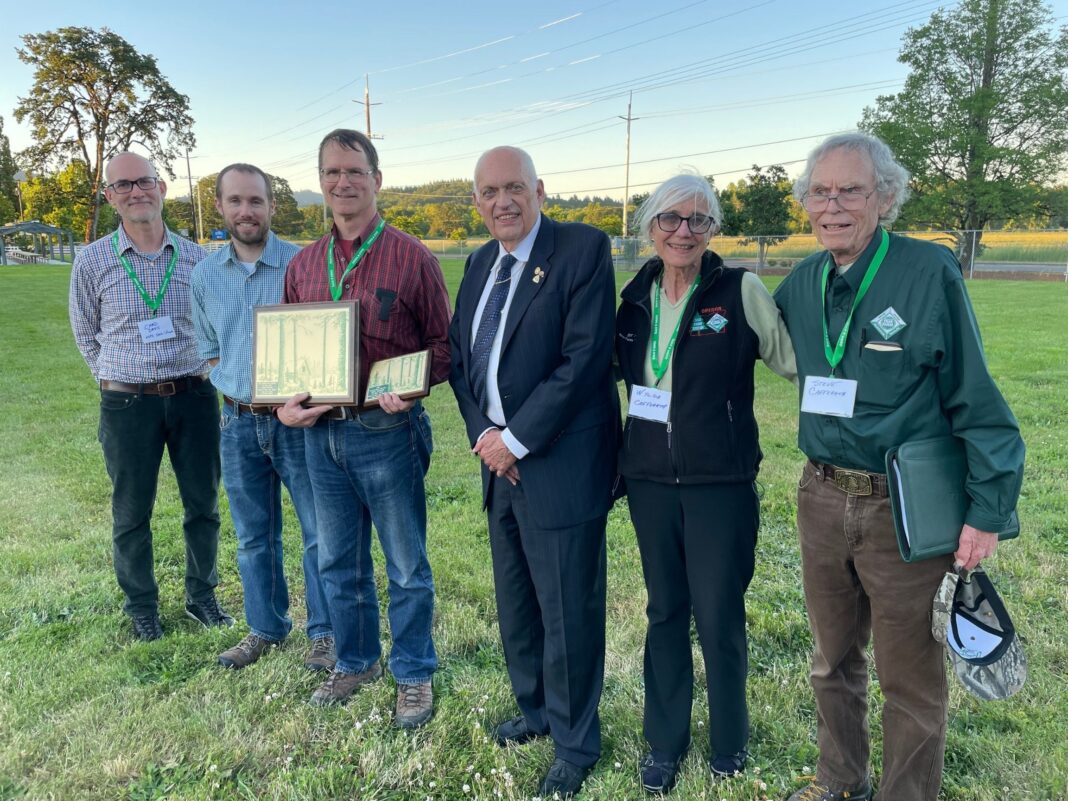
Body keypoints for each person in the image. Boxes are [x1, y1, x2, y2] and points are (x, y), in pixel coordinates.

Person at [774, 132, 1025, 801]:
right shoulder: (800, 283)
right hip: (822, 497)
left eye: (850, 190)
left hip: (904, 511)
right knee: (831, 661)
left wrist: (988, 509)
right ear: (806, 204)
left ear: (884, 197)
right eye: (820, 192)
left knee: (909, 678)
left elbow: (975, 394)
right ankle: (839, 780)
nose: (833, 205)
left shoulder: (927, 272)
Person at [615, 173, 796, 794]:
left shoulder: (740, 290)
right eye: (669, 219)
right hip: (648, 481)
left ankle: (728, 743)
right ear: (650, 228)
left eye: (698, 219)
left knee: (718, 614)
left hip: (720, 482)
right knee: (665, 611)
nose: (683, 231)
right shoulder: (633, 298)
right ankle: (664, 742)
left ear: (713, 228)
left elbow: (795, 361)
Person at [449, 146, 620, 799]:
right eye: (489, 191)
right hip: (498, 465)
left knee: (569, 607)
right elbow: (463, 364)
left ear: (539, 189)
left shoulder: (581, 250)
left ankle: (576, 743)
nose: (503, 201)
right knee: (517, 601)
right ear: (477, 201)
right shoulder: (477, 263)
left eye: (514, 187)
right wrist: (486, 437)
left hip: (559, 464)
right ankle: (536, 710)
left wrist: (515, 440)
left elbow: (584, 360)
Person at [276, 129, 451, 729]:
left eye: (354, 171)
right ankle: (354, 661)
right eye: (331, 172)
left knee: (405, 565)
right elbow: (284, 356)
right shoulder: (301, 265)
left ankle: (413, 673)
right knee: (336, 562)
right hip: (318, 436)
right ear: (320, 182)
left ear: (377, 179)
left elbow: (445, 347)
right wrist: (282, 406)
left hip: (386, 431)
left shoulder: (412, 257)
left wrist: (413, 384)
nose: (342, 182)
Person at [69, 151, 231, 641]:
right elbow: (85, 331)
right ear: (110, 197)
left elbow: (216, 328)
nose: (136, 192)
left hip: (193, 397)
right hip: (127, 405)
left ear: (162, 188)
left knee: (202, 505)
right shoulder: (92, 261)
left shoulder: (198, 259)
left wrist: (204, 372)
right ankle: (142, 606)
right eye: (123, 185)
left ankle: (202, 597)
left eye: (145, 181)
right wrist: (115, 377)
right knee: (131, 511)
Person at [191, 163, 334, 672]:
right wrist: (231, 387)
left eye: (256, 201)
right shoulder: (204, 275)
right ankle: (266, 627)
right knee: (254, 535)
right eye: (235, 201)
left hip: (296, 424)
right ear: (222, 207)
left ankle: (325, 632)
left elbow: (324, 345)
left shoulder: (303, 265)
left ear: (273, 206)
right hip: (236, 423)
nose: (246, 211)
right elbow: (208, 347)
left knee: (319, 531)